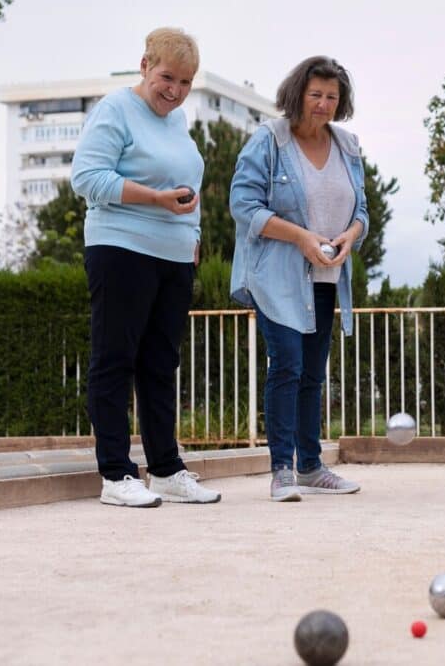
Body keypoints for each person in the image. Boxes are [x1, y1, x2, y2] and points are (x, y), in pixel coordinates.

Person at [72, 27, 220, 507]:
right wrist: (155, 197)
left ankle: (165, 469)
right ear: (144, 65)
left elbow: (189, 189)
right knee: (115, 359)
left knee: (161, 364)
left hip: (174, 256)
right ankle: (115, 474)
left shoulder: (177, 123)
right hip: (121, 247)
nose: (175, 90)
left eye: (185, 82)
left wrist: (193, 237)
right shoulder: (116, 109)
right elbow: (87, 177)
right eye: (167, 77)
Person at [230, 56, 369, 502]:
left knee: (312, 373)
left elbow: (362, 210)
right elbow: (244, 206)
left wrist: (350, 236)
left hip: (327, 275)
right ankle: (281, 469)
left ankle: (310, 466)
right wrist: (301, 237)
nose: (323, 104)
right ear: (298, 94)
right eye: (316, 95)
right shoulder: (269, 140)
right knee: (287, 365)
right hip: (278, 275)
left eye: (332, 97)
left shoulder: (347, 145)